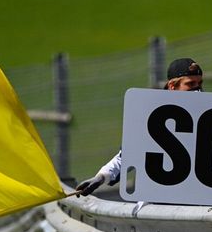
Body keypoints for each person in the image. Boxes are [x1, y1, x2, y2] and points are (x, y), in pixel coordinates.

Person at [75, 58, 203, 196]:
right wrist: (101, 177)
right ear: (172, 86)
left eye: (200, 83)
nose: (198, 90)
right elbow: (126, 156)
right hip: (155, 202)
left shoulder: (208, 115)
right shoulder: (150, 116)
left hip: (194, 201)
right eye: (190, 84)